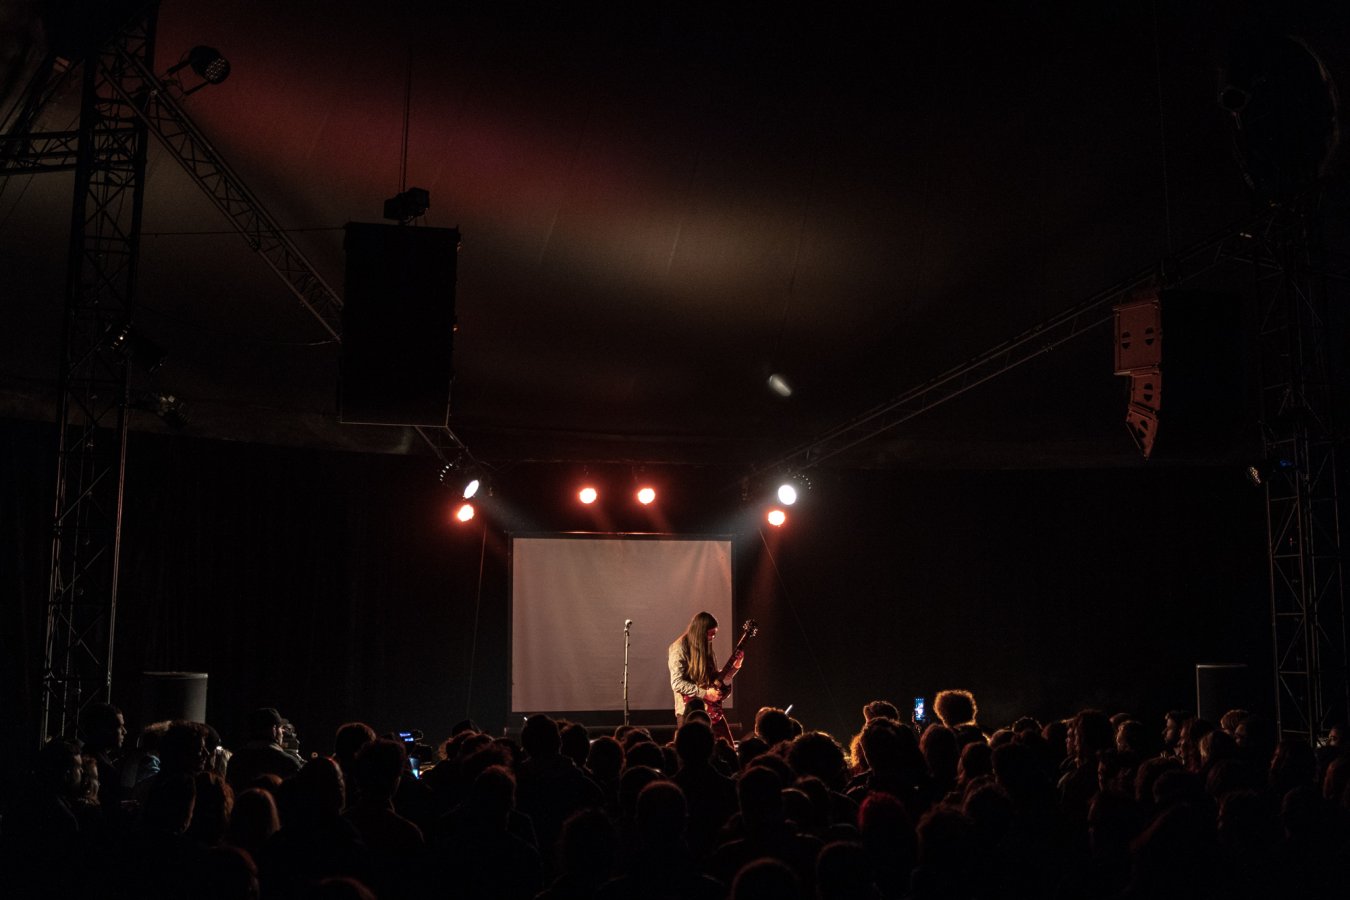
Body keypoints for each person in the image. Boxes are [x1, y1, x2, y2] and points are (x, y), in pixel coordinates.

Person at [669, 611, 738, 728]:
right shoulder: (679, 648)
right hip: (689, 712)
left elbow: (714, 677)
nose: (712, 638)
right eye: (710, 634)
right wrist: (705, 693)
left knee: (726, 740)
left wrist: (735, 666)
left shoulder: (706, 646)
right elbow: (677, 683)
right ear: (700, 632)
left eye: (714, 634)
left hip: (711, 710)